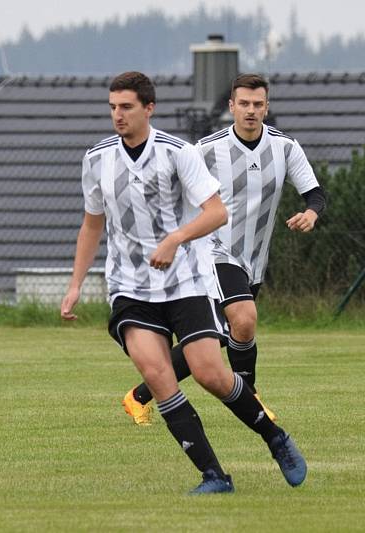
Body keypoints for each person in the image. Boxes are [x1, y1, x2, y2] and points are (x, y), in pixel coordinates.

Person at [60, 71, 307, 494]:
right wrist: (75, 284)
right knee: (158, 377)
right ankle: (214, 476)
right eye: (112, 107)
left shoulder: (177, 153)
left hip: (187, 280)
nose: (117, 115)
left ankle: (275, 437)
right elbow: (91, 224)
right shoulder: (97, 158)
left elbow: (216, 213)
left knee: (211, 373)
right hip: (130, 287)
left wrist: (175, 239)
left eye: (126, 107)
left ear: (148, 108)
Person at [121, 73, 326, 426]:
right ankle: (251, 398)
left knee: (213, 338)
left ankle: (138, 396)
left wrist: (310, 213)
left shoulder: (286, 147)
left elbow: (315, 194)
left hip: (253, 259)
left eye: (257, 104)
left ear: (266, 107)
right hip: (212, 252)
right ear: (231, 106)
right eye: (243, 103)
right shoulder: (205, 149)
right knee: (243, 318)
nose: (250, 110)